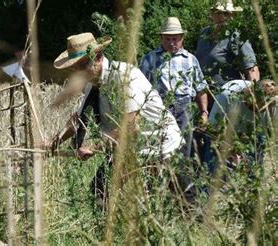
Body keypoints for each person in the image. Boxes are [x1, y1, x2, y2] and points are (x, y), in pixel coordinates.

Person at [47, 32, 184, 203]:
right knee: (101, 189)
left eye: (82, 65)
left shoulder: (123, 76)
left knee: (178, 196)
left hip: (159, 141)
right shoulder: (92, 85)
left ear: (97, 57)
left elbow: (132, 124)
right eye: (75, 68)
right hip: (132, 145)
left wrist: (95, 146)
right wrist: (54, 142)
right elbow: (79, 118)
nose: (79, 72)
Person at [140, 17, 208, 158]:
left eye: (175, 39)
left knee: (184, 147)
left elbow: (200, 88)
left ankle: (181, 179)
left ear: (182, 38)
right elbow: (140, 87)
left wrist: (204, 112)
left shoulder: (190, 59)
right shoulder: (149, 59)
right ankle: (162, 177)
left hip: (184, 108)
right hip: (159, 106)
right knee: (161, 146)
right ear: (161, 38)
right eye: (167, 39)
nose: (171, 43)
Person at [203, 79, 277, 175]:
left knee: (255, 166)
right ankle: (207, 187)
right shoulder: (226, 96)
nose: (263, 109)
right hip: (227, 128)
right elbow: (212, 130)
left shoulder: (274, 101)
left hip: (255, 130)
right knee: (212, 160)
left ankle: (252, 185)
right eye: (260, 106)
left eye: (266, 107)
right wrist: (230, 151)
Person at [195, 0, 260, 92]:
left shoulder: (237, 37)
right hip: (204, 96)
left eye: (226, 13)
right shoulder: (203, 34)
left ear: (232, 16)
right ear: (212, 14)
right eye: (218, 12)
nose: (221, 17)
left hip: (229, 97)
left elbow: (251, 69)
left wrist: (252, 96)